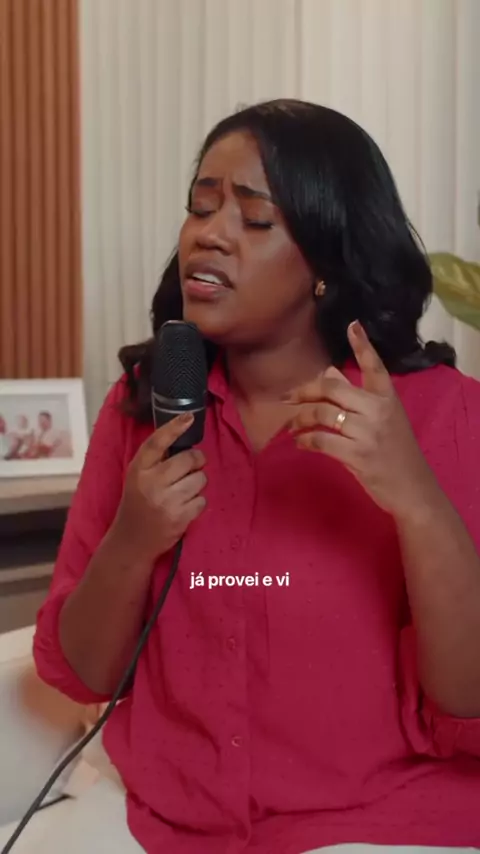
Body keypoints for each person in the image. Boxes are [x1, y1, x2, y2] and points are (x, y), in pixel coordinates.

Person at [33, 100, 480, 854]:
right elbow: (83, 675)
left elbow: (470, 701)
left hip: (378, 823)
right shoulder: (142, 407)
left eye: (254, 218)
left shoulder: (447, 414)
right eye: (200, 206)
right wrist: (133, 541)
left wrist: (416, 500)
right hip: (168, 820)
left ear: (325, 266)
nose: (208, 234)